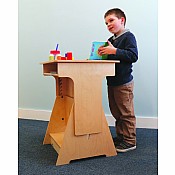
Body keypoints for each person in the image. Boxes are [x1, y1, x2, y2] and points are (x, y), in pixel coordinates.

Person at [98, 8, 138, 152]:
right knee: (116, 112)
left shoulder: (128, 37)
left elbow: (133, 55)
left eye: (111, 20)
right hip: (112, 81)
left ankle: (130, 140)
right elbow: (112, 58)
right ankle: (121, 136)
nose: (108, 24)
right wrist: (103, 54)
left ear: (122, 20)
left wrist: (114, 51)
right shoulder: (111, 40)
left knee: (126, 112)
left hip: (123, 82)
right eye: (106, 23)